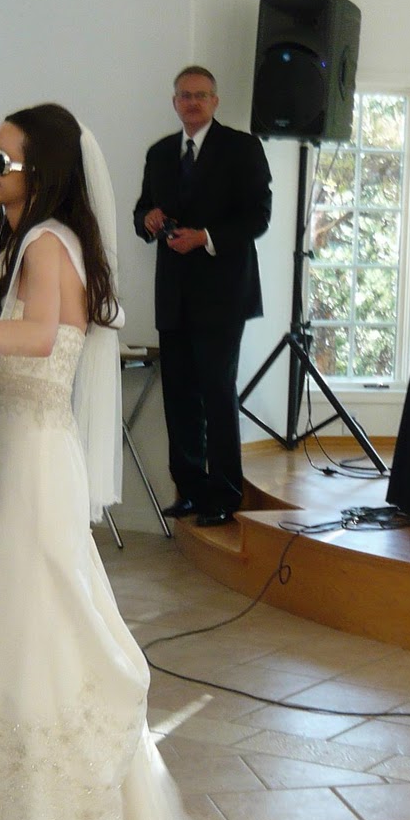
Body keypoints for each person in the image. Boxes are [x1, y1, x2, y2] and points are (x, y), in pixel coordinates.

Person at [0, 102, 222, 820]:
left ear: (40, 170)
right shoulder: (13, 241)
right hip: (10, 443)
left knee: (32, 609)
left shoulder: (51, 243)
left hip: (36, 454)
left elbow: (41, 329)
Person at [133, 65, 272, 527]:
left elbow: (259, 217)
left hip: (222, 295)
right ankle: (189, 490)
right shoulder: (158, 153)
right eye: (184, 96)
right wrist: (148, 218)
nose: (192, 103)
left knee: (216, 394)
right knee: (179, 397)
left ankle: (224, 494)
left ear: (215, 101)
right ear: (174, 102)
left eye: (201, 95)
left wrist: (206, 237)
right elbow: (140, 211)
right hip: (173, 295)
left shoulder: (241, 148)